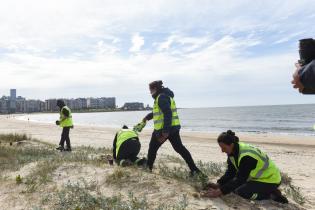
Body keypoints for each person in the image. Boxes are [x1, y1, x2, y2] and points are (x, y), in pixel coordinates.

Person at [203, 130, 288, 204]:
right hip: (256, 178)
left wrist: (219, 192)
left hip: (270, 180)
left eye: (223, 148)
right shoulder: (232, 152)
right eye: (221, 148)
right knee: (230, 186)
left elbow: (240, 179)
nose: (222, 151)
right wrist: (219, 184)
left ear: (231, 145)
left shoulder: (246, 156)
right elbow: (231, 172)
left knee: (241, 192)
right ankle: (267, 190)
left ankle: (271, 195)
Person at [142, 80, 202, 176]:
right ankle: (194, 170)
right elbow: (161, 112)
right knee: (180, 149)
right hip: (172, 128)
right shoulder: (165, 96)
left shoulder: (161, 97)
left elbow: (168, 113)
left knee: (152, 148)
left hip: (163, 130)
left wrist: (165, 131)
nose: (150, 92)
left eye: (150, 90)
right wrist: (148, 117)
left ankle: (148, 168)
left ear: (155, 89)